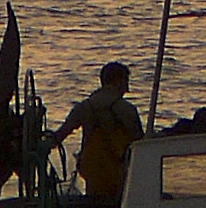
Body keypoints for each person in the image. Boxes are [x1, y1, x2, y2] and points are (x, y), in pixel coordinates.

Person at [50, 61, 144, 197]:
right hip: (120, 176)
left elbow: (59, 136)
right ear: (119, 81)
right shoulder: (127, 109)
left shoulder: (84, 107)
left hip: (92, 174)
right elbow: (140, 143)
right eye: (126, 82)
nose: (127, 88)